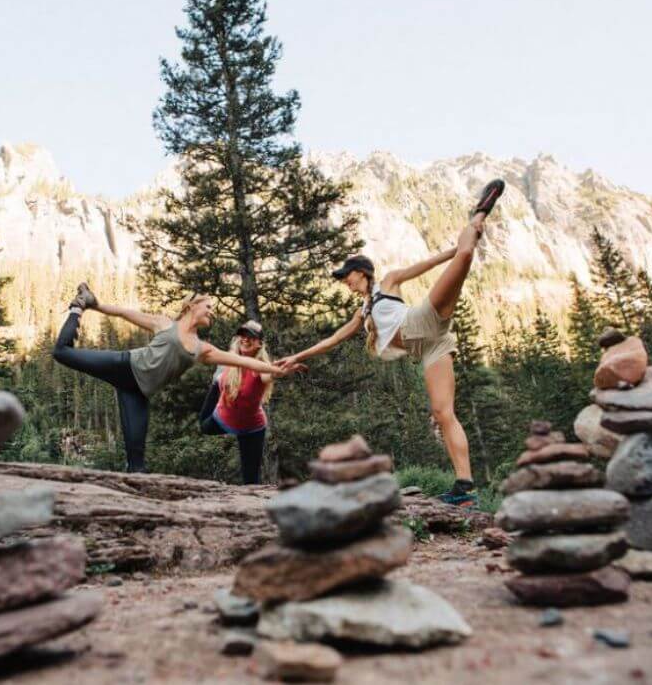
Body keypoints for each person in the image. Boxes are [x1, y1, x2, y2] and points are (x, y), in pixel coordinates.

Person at [278, 180, 506, 507]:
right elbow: (333, 339)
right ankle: (465, 488)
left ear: (361, 272)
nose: (345, 282)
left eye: (347, 276)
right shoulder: (363, 312)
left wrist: (456, 251)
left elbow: (428, 264)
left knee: (467, 253)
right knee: (443, 413)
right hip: (430, 347)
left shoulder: (388, 282)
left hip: (423, 320)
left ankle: (478, 214)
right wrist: (295, 356)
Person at [53, 286, 300, 473]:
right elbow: (124, 313)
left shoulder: (202, 348)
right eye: (208, 307)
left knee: (137, 464)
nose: (212, 312)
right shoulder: (164, 324)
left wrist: (275, 370)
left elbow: (244, 361)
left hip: (137, 393)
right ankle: (76, 309)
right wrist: (93, 305)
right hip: (124, 366)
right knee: (61, 353)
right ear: (192, 306)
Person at [198, 320, 274, 485]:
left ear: (260, 343)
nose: (245, 339)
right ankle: (217, 384)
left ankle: (253, 508)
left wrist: (279, 371)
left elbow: (269, 375)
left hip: (251, 427)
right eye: (243, 335)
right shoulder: (228, 359)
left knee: (251, 479)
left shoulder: (262, 367)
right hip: (222, 417)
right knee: (204, 426)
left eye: (251, 337)